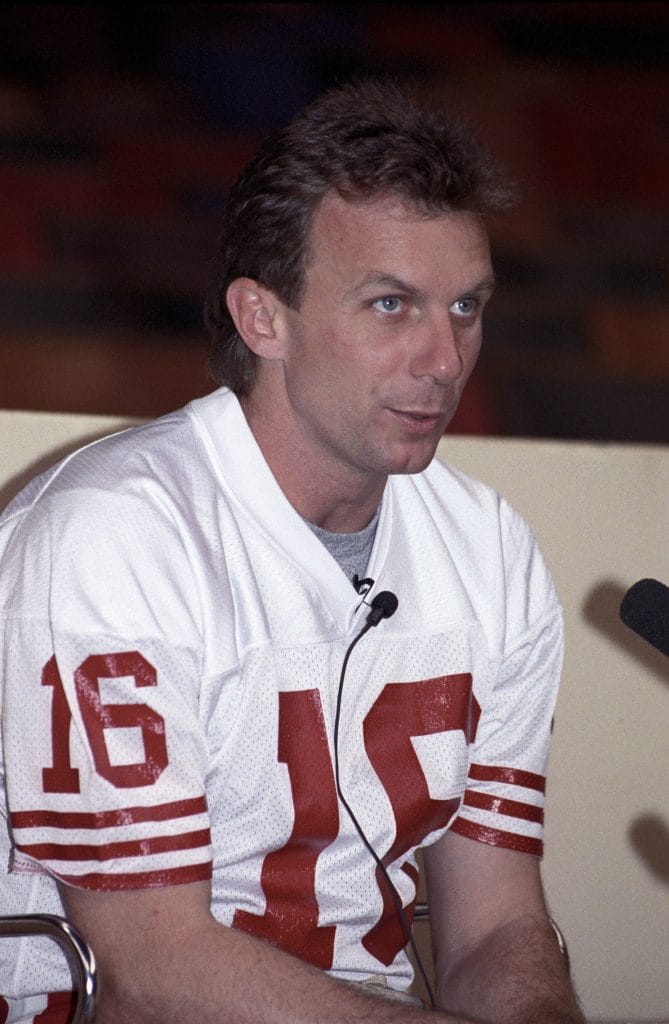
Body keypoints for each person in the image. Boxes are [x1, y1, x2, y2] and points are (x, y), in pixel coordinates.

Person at [0, 79, 584, 1024]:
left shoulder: (490, 547)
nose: (444, 358)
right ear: (262, 318)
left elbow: (494, 928)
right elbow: (150, 975)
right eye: (391, 305)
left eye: (465, 306)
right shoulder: (111, 535)